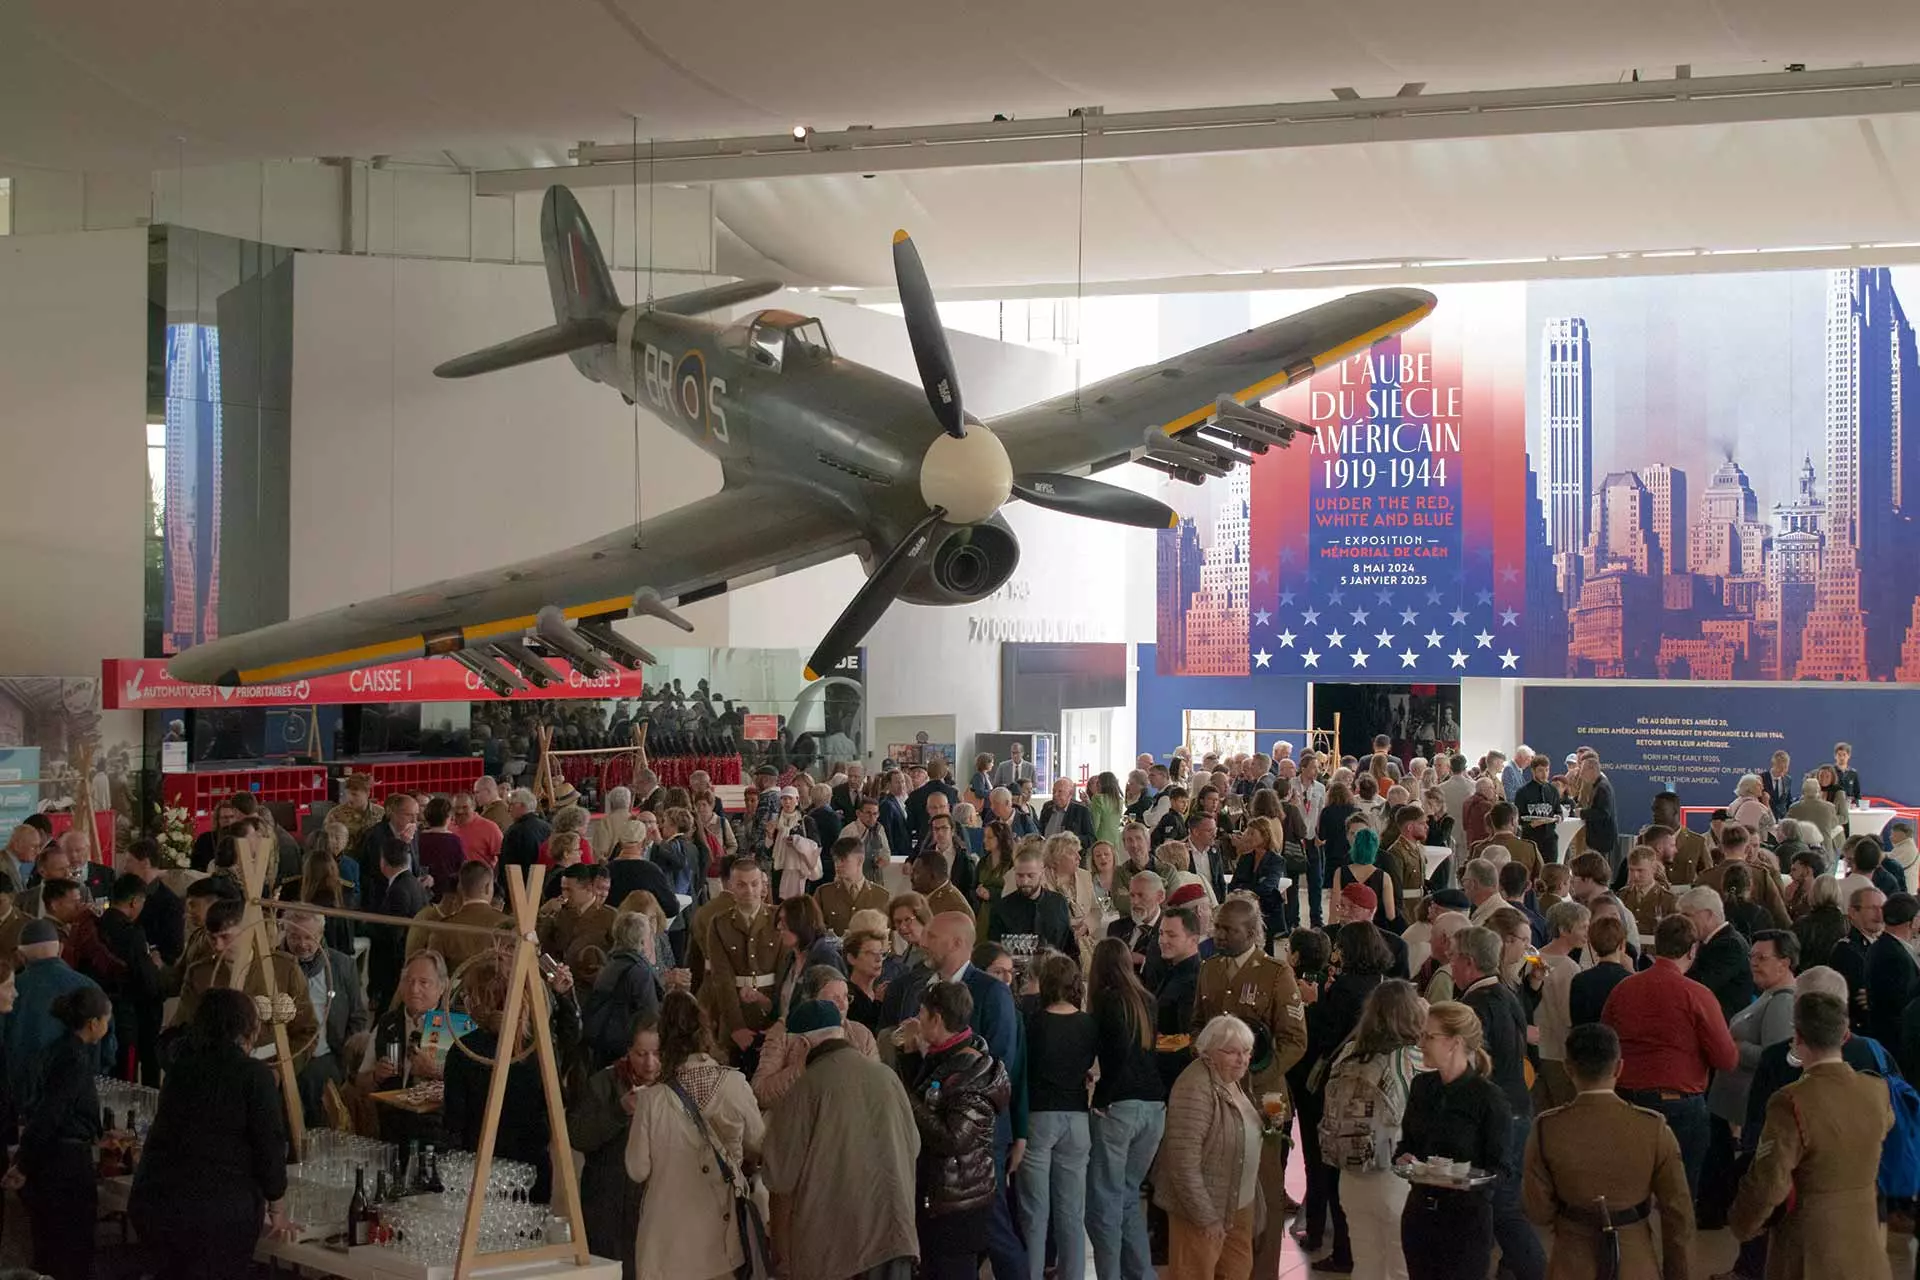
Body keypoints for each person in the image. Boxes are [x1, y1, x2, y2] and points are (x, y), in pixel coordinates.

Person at [1728, 992, 1894, 1279]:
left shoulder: (1790, 1101)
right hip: (1866, 1243)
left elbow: (1770, 1182)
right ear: (1845, 1037)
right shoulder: (1876, 1090)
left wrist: (1742, 1224)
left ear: (1798, 1037)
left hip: (1810, 1248)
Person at [129, 987, 291, 1280]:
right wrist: (277, 1207)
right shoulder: (254, 1075)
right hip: (218, 1212)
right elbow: (269, 1145)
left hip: (157, 1200)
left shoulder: (181, 1068)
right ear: (248, 1029)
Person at [763, 997, 920, 1280]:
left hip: (835, 1255)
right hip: (895, 1240)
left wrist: (781, 1255)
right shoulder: (887, 1077)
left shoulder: (803, 1091)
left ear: (801, 1045)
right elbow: (914, 1146)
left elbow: (780, 1179)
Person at [1521, 1023, 1692, 1280]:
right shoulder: (1652, 1127)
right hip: (1635, 1261)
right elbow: (1678, 1214)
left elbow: (1538, 1211)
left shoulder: (1547, 1128)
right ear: (1620, 1067)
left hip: (1571, 1262)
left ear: (1568, 1068)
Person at [1191, 898, 1307, 1274]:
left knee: (1264, 1189)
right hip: (1216, 1096)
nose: (1220, 935)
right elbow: (1197, 1025)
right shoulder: (1208, 969)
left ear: (1252, 932)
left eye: (1230, 930)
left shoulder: (1274, 974)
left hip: (1263, 1099)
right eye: (1218, 927)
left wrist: (1251, 1072)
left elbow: (1294, 1040)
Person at [625, 990, 765, 1280]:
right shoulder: (735, 1084)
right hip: (719, 1241)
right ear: (706, 1031)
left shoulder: (652, 1100)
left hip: (665, 1244)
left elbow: (637, 1170)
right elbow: (759, 1141)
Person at [1600, 913, 1738, 1198]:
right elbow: (1727, 1059)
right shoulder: (1697, 995)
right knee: (1679, 1197)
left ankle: (1631, 1241)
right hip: (1680, 1104)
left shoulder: (1623, 989)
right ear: (1692, 950)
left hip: (1626, 1098)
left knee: (1628, 1193)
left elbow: (1604, 1043)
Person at [1449, 925, 1545, 1280]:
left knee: (1502, 1209)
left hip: (1497, 1117)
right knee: (1495, 1207)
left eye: (1454, 957)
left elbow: (1471, 1071)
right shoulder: (1506, 994)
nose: (1450, 964)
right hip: (1518, 1109)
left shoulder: (1474, 1007)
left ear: (1469, 962)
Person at [443, 950, 578, 1202]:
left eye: (469, 995)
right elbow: (558, 1100)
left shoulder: (465, 1051)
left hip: (482, 1169)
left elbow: (454, 1122)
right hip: (532, 1168)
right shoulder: (540, 1046)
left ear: (479, 1001)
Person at [1299, 921, 1395, 1270]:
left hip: (1336, 1083)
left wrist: (1313, 1002)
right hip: (1370, 1083)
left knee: (1326, 1162)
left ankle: (1335, 1245)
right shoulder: (1381, 984)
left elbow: (1323, 1033)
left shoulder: (1343, 989)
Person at [1394, 1001, 1513, 1280]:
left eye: (1428, 1036)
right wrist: (1403, 1158)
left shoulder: (1488, 1098)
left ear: (1454, 1043)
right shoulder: (1422, 1087)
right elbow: (1407, 1145)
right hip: (1419, 1216)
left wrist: (1463, 1178)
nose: (1420, 1043)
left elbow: (1502, 1169)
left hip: (1465, 1223)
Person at [904, 981, 1010, 1280]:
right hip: (941, 1197)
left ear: (936, 1019)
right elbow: (927, 1097)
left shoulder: (970, 1071)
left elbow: (954, 1139)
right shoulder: (945, 1057)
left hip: (958, 1206)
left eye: (921, 1014)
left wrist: (903, 1096)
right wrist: (910, 1058)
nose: (916, 1021)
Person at [1154, 1014, 1264, 1280]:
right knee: (1195, 1272)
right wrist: (1206, 1217)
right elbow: (1182, 1163)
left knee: (1236, 1271)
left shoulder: (1231, 1078)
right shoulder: (1195, 1086)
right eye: (1233, 1052)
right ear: (1208, 1052)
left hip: (1237, 1203)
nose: (1243, 1059)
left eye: (1247, 1052)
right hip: (1202, 1210)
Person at [1085, 937, 1165, 1280]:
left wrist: (1101, 1097)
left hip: (1119, 1108)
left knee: (1103, 1203)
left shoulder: (1105, 1001)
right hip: (1154, 1108)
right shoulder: (1146, 1000)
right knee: (1129, 1196)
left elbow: (1114, 1058)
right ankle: (1141, 1274)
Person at [17, 983, 109, 1280]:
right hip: (65, 1165)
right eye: (107, 1020)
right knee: (71, 1251)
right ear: (93, 1023)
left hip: (49, 1161)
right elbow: (51, 1113)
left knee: (47, 1247)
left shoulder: (55, 1051)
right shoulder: (74, 1060)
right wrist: (22, 1163)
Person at [1017, 952, 1098, 1280]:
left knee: (1035, 1214)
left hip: (1040, 1116)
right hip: (1077, 1118)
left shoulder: (1033, 1023)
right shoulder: (1088, 1023)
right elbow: (1090, 1068)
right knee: (1071, 1215)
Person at [568, 1014, 661, 1280]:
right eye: (641, 1053)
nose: (650, 1063)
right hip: (608, 1202)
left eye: (656, 1053)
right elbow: (578, 1135)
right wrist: (619, 1111)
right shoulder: (604, 1083)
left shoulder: (671, 1085)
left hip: (653, 1203)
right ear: (628, 1051)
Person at [280, 907, 368, 1126]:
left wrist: (349, 1060)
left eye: (309, 937)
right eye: (294, 937)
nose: (302, 944)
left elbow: (357, 1016)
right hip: (285, 1058)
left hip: (328, 1057)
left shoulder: (342, 966)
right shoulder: (273, 964)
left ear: (321, 934)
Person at [696, 856, 781, 1064]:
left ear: (763, 885)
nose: (749, 891)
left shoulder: (779, 918)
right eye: (741, 885)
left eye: (754, 884)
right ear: (731, 887)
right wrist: (736, 1026)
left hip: (771, 1010)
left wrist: (779, 1019)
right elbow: (721, 978)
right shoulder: (719, 923)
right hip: (734, 1011)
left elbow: (786, 972)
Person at [1864, 889, 1920, 1050]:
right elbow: (1903, 1002)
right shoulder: (1895, 957)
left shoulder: (1881, 946)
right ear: (1911, 921)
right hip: (1897, 1043)